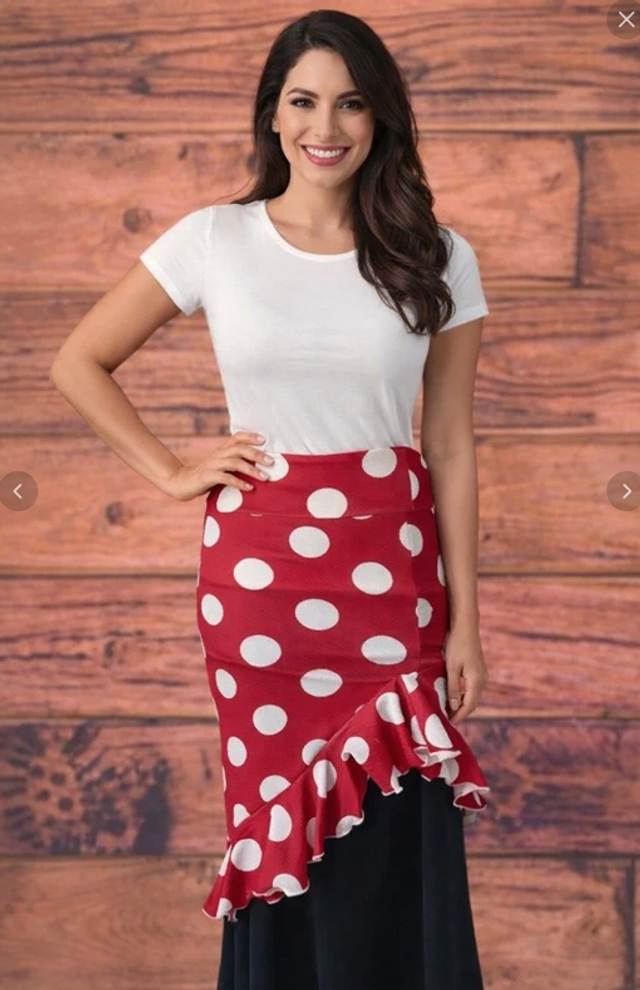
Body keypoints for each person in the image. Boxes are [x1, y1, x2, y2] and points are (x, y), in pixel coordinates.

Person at [51, 10, 492, 990]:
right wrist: (171, 471)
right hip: (261, 593)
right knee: (278, 825)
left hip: (394, 590)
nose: (324, 126)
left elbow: (451, 444)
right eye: (303, 101)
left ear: (379, 118)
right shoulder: (217, 238)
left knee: (397, 836)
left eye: (350, 103)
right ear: (273, 114)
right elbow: (78, 361)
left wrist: (466, 619)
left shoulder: (436, 253)